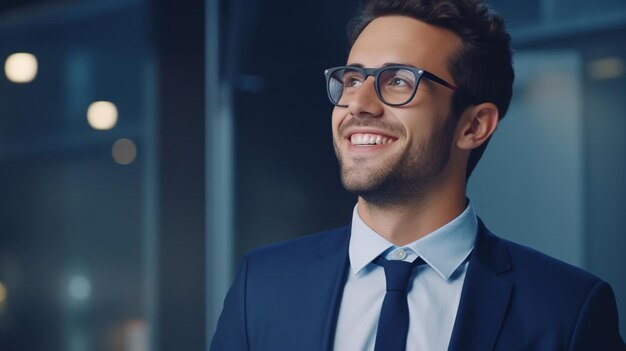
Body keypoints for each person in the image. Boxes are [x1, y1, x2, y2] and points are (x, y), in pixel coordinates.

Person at [210, 0, 626, 350]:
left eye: (398, 81)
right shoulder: (261, 285)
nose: (359, 104)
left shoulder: (566, 309)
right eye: (352, 79)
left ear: (474, 126)